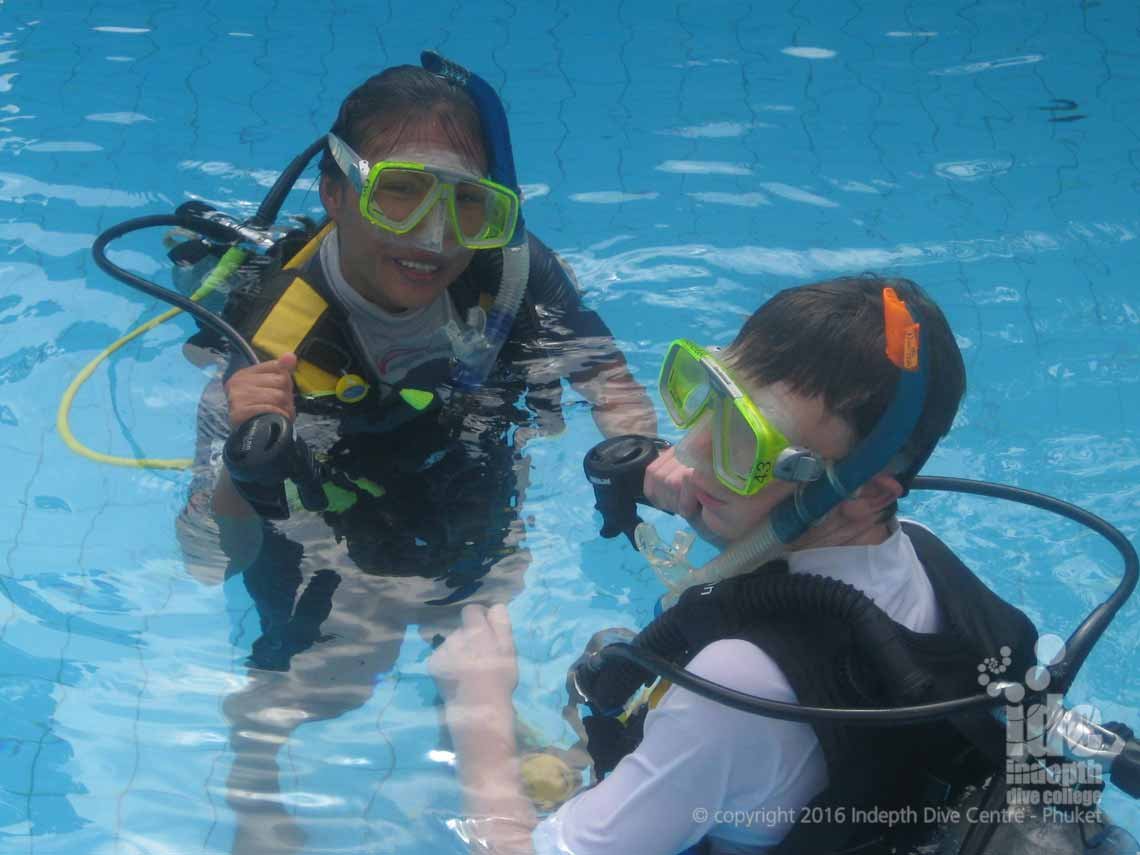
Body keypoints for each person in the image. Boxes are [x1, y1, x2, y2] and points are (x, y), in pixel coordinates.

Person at [176, 55, 656, 854]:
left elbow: (605, 374)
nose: (436, 237)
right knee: (326, 679)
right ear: (335, 192)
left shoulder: (509, 268)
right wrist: (241, 454)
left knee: (476, 614)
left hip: (458, 447)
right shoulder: (270, 340)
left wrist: (643, 458)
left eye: (468, 202)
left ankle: (481, 721)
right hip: (320, 488)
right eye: (400, 192)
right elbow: (204, 556)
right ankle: (252, 781)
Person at [429, 275, 1042, 854]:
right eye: (711, 400)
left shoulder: (735, 688)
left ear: (865, 493)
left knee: (538, 714)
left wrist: (476, 709)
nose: (691, 452)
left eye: (749, 439)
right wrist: (707, 499)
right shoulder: (923, 548)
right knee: (613, 654)